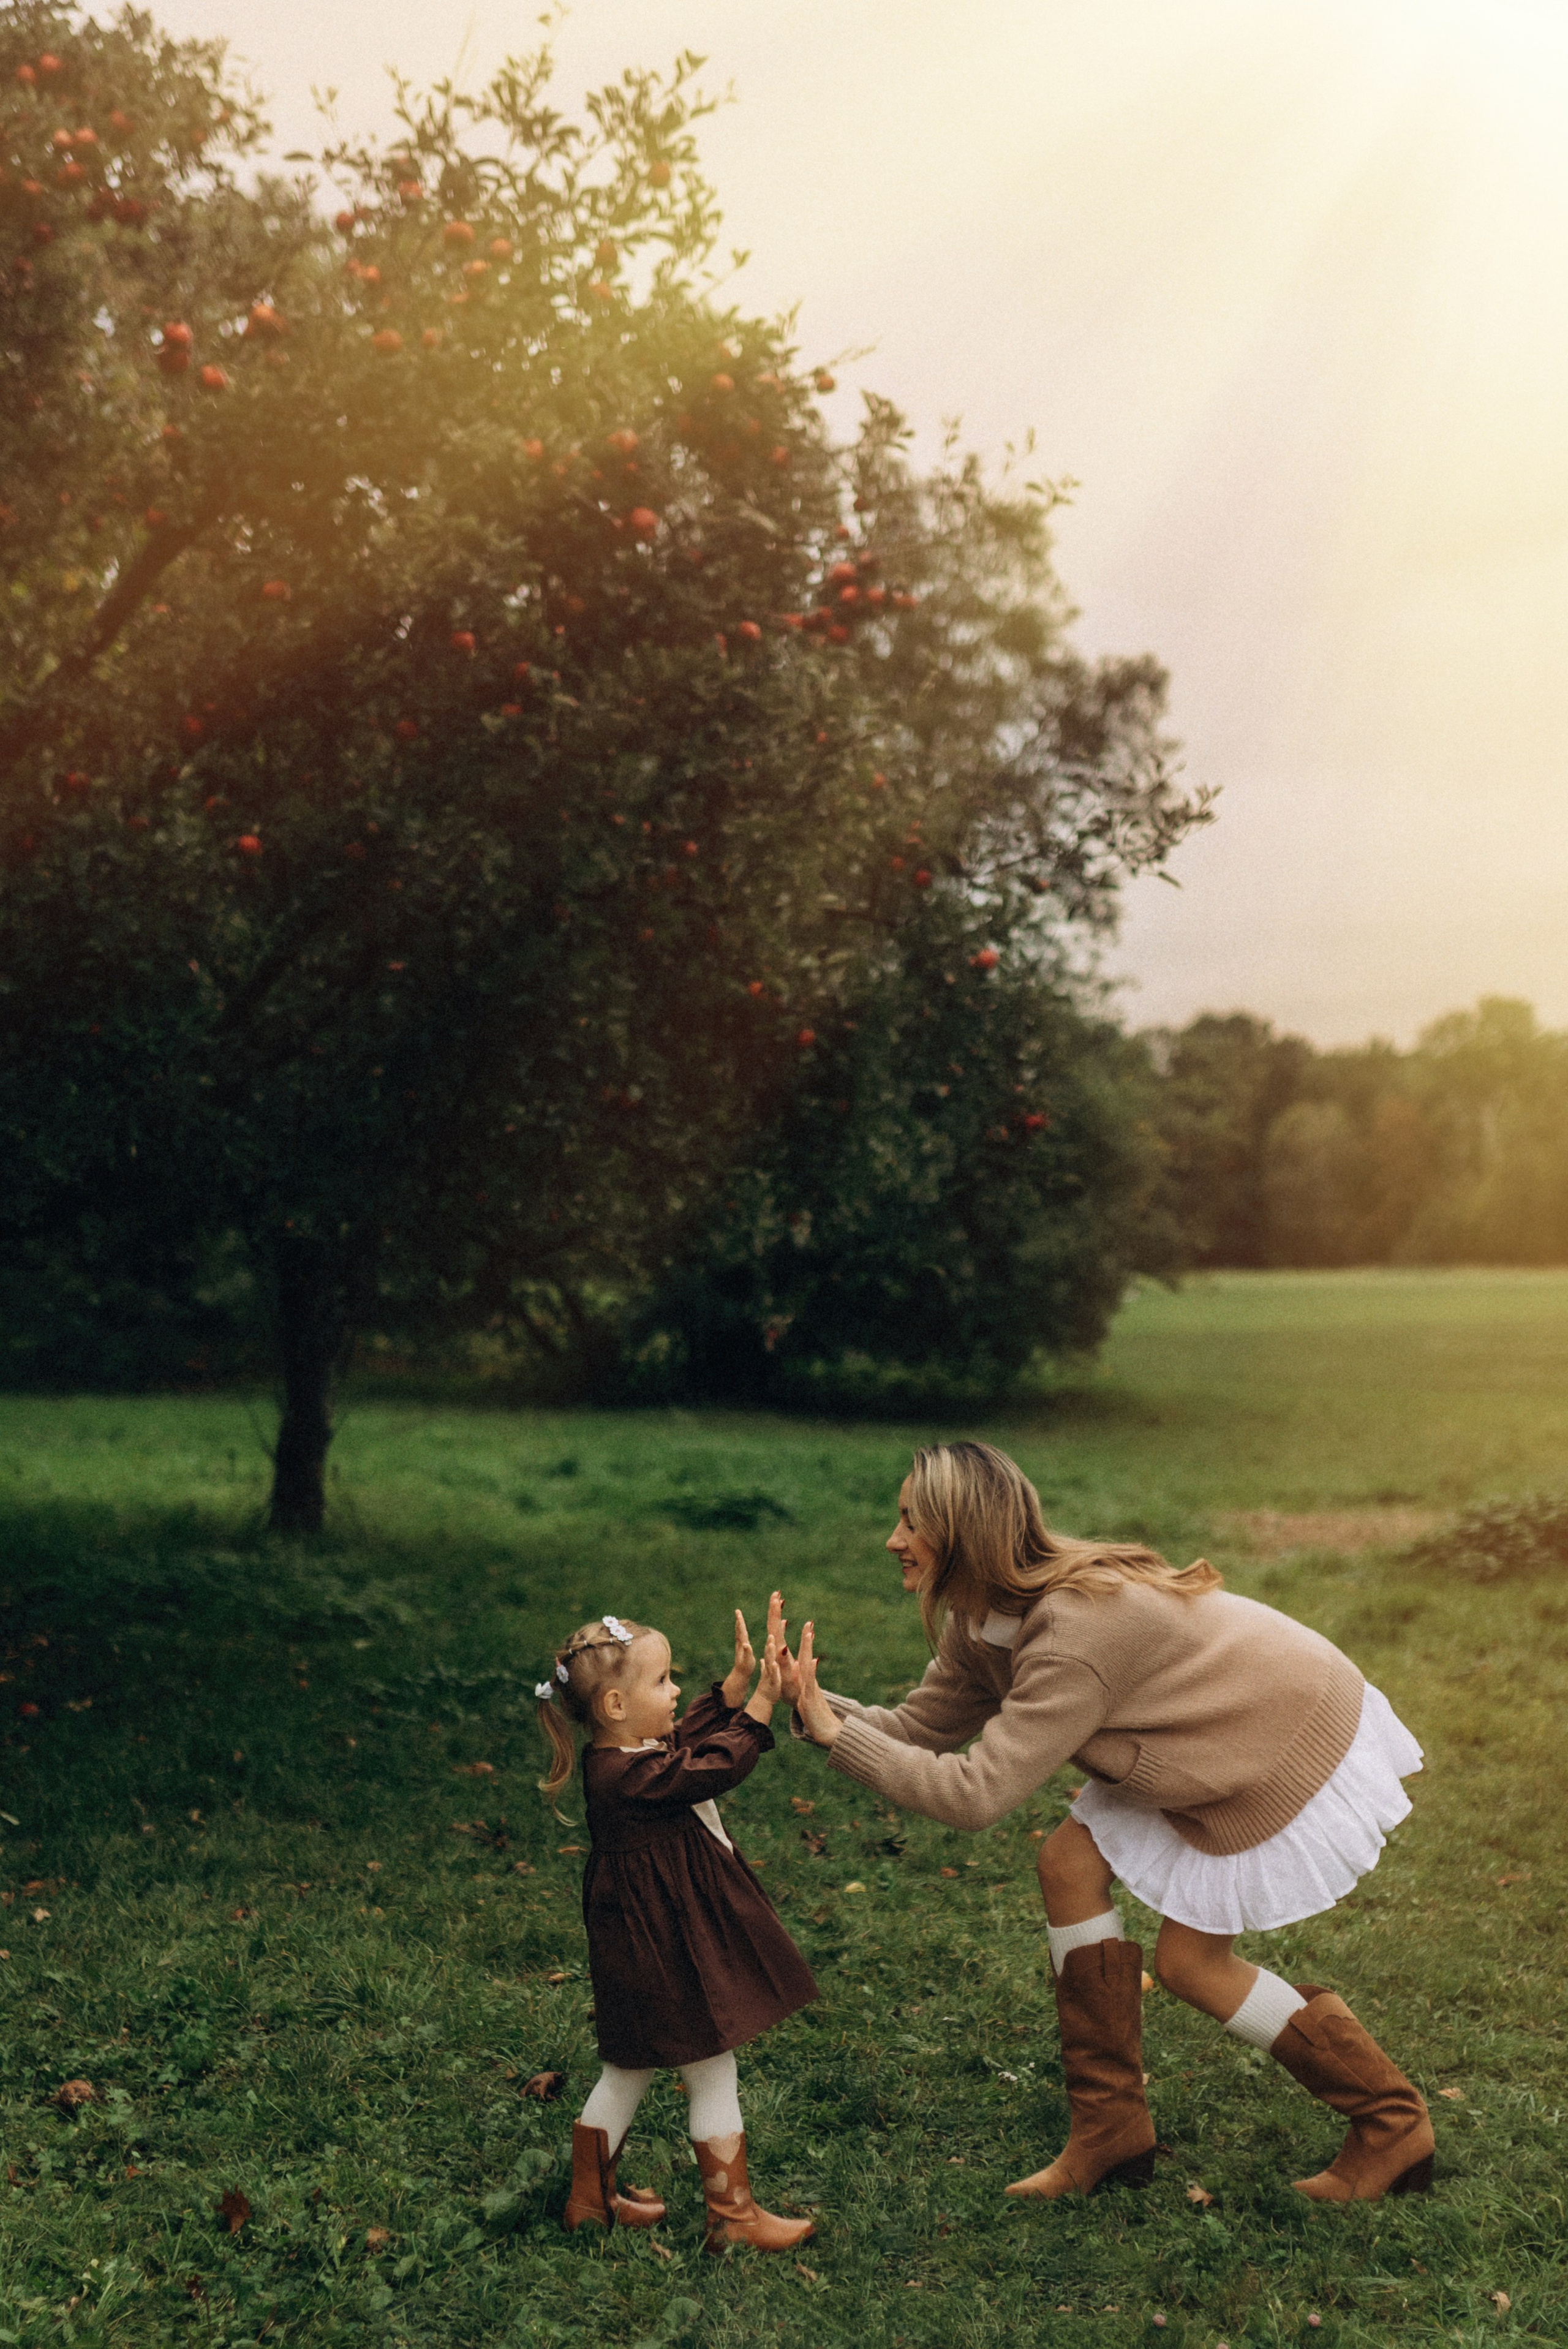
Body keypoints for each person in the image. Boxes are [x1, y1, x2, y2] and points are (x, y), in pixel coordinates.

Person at [791, 1440, 1432, 2206]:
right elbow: (918, 1730)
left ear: (964, 1534)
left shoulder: (1071, 1635)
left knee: (1193, 1964)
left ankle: (1391, 2123)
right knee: (1066, 1865)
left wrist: (838, 1735)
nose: (893, 1539)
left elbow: (974, 1795)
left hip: (1274, 1730)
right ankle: (1110, 2128)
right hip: (1182, 1730)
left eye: (911, 1522)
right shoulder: (979, 1621)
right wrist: (811, 1708)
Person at [535, 1600, 818, 2251]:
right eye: (663, 1682)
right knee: (713, 2070)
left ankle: (590, 2199)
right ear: (613, 1706)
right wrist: (760, 1710)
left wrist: (732, 1691)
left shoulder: (625, 1754)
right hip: (669, 1947)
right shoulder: (632, 1777)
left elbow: (683, 1736)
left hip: (636, 1944)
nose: (675, 1692)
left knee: (627, 2068)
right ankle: (733, 2217)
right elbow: (709, 1766)